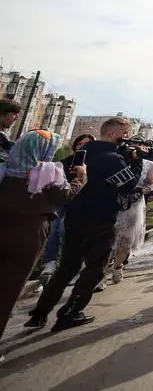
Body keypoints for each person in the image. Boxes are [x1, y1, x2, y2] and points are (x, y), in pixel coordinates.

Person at [25, 117, 143, 332]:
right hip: (100, 221)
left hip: (75, 218)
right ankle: (70, 312)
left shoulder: (79, 156)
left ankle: (40, 312)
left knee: (66, 267)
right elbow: (128, 185)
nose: (126, 139)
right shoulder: (114, 159)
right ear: (112, 134)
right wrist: (137, 162)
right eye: (125, 134)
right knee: (94, 269)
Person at [0, 130, 84, 341]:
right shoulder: (48, 172)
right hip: (29, 235)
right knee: (9, 289)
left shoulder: (5, 168)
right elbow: (65, 197)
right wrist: (81, 179)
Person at [35, 133, 94, 276]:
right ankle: (50, 262)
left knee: (64, 230)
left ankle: (70, 260)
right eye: (80, 144)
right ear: (75, 147)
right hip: (62, 200)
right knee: (54, 229)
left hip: (81, 203)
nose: (83, 147)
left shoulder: (94, 165)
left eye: (88, 145)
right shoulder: (64, 162)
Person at [109, 143, 153, 283]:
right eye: (132, 147)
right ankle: (101, 272)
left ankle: (118, 265)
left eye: (139, 148)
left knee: (126, 238)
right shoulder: (118, 161)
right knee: (108, 236)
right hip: (114, 202)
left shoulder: (149, 164)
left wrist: (141, 191)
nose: (135, 151)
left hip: (133, 205)